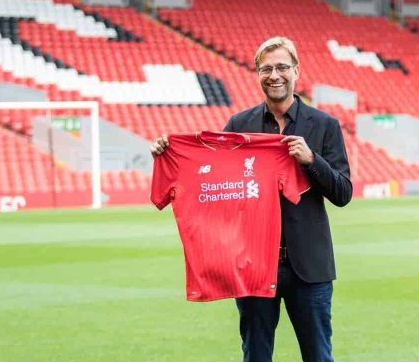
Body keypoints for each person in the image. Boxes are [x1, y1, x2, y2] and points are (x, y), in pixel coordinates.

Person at [151, 36, 352, 362]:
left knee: (318, 356)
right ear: (257, 73)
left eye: (282, 67)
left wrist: (311, 160)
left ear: (296, 71)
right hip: (254, 265)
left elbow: (343, 193)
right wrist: (168, 153)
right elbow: (214, 176)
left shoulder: (325, 126)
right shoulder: (239, 126)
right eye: (267, 68)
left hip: (310, 267)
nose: (275, 75)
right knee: (256, 355)